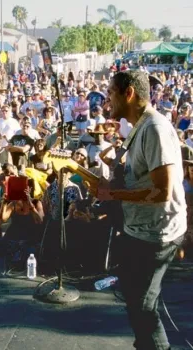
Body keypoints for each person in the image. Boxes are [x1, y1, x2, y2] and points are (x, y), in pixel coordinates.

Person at [93, 70, 187, 350]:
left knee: (143, 308)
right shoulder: (139, 128)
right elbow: (141, 177)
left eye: (111, 91)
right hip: (140, 229)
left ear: (129, 93)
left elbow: (162, 191)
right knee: (138, 301)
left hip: (156, 234)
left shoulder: (155, 129)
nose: (107, 97)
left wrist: (114, 193)